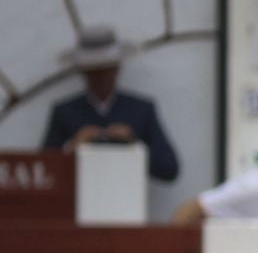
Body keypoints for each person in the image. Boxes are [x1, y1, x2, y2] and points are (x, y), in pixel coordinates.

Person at [41, 24, 180, 182]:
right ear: (83, 72)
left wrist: (134, 144)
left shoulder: (141, 109)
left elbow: (170, 169)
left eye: (107, 69)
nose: (100, 77)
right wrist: (72, 148)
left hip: (128, 194)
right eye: (93, 70)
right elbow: (43, 172)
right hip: (79, 195)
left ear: (117, 68)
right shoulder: (65, 112)